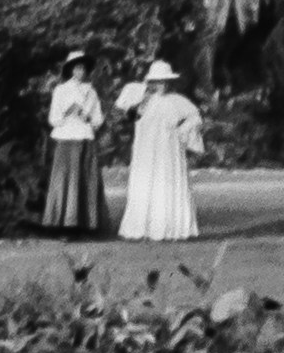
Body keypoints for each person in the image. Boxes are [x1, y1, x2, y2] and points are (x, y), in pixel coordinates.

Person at [115, 60, 206, 243]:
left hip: (169, 149)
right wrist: (144, 93)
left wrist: (182, 131)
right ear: (152, 82)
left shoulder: (178, 101)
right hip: (146, 150)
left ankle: (171, 228)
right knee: (146, 183)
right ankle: (143, 227)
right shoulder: (142, 100)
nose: (162, 85)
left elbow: (195, 118)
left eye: (165, 81)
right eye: (158, 81)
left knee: (168, 183)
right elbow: (124, 106)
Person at [40, 51, 110, 238]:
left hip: (85, 138)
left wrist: (87, 116)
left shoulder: (91, 91)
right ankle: (65, 226)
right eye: (77, 68)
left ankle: (86, 225)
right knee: (66, 181)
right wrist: (68, 110)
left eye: (83, 68)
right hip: (67, 139)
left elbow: (98, 120)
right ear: (71, 69)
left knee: (86, 180)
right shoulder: (61, 90)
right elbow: (53, 119)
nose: (80, 71)